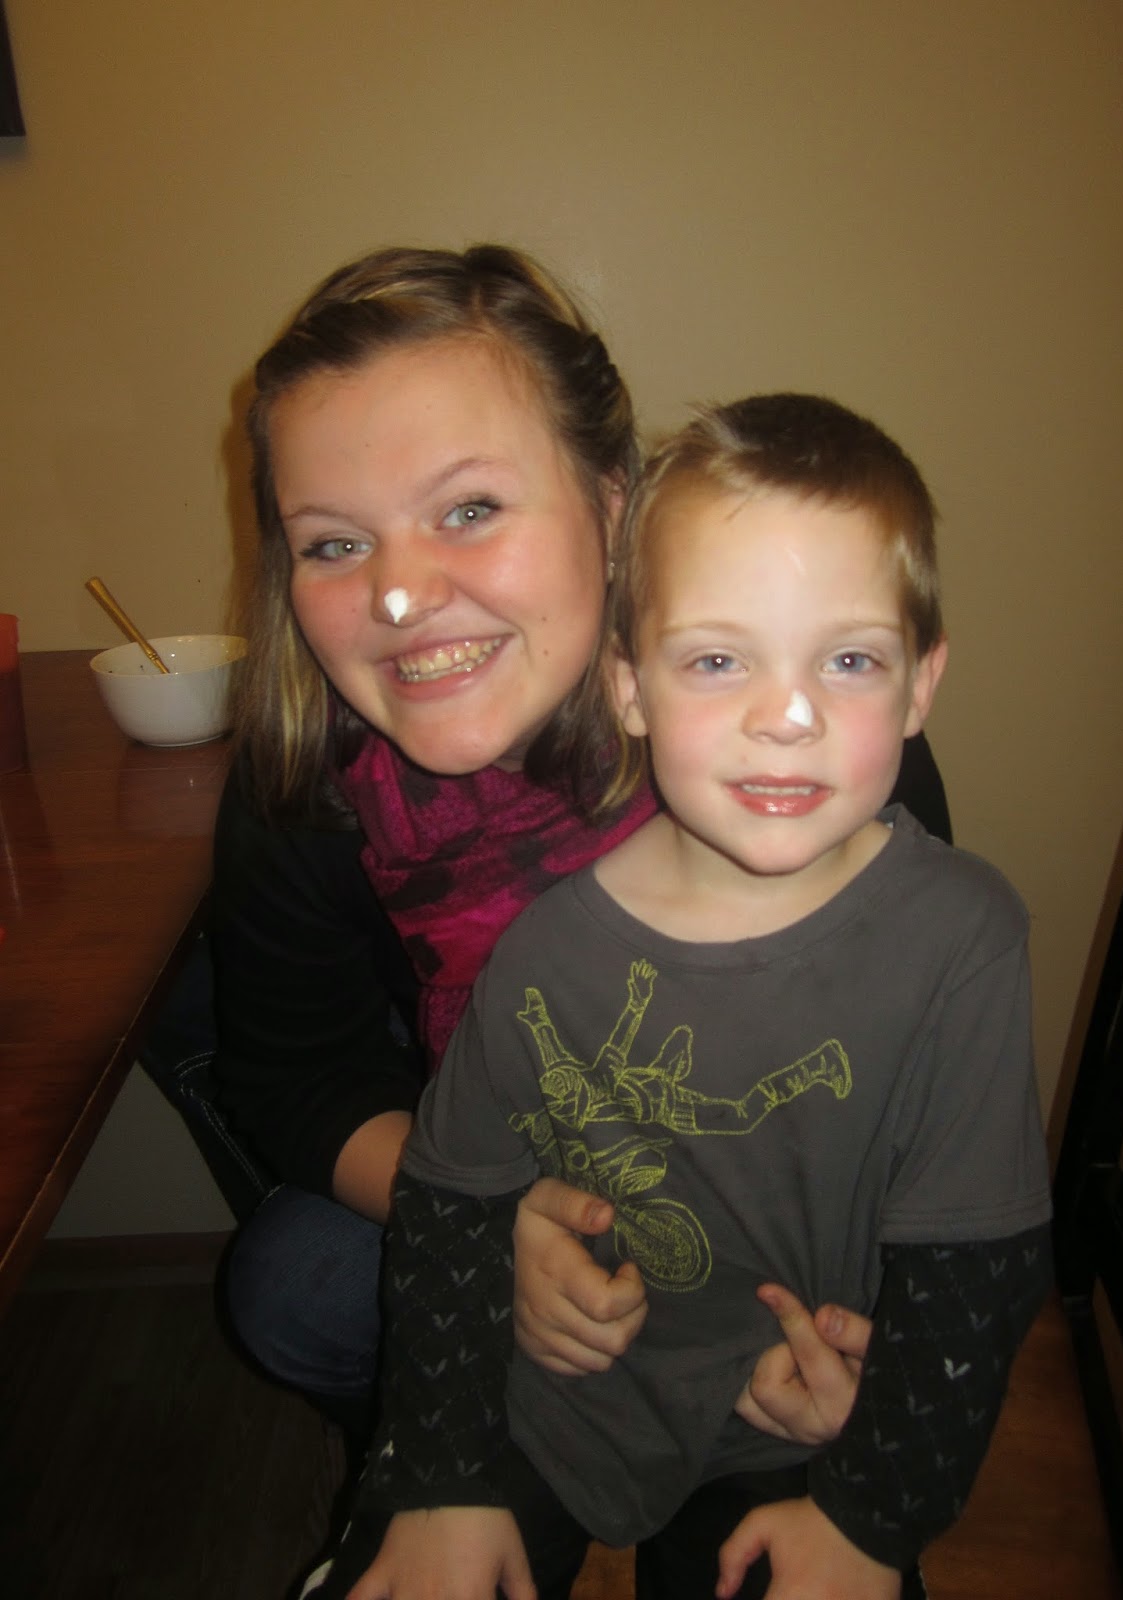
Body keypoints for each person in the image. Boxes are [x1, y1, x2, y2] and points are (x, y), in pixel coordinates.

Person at [189, 246, 951, 1447]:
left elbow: (911, 1081)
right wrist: (489, 1215)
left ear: (610, 501)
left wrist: (835, 1321)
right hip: (496, 1164)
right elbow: (295, 1074)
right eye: (334, 543)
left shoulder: (796, 737)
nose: (398, 597)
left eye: (470, 510)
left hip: (778, 1201)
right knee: (296, 1282)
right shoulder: (305, 782)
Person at [302, 393, 1054, 1600]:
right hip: (548, 1399)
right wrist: (436, 1471)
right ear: (629, 687)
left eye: (850, 660)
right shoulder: (546, 954)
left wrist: (873, 1514)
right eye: (715, 659)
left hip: (798, 1423)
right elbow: (449, 1208)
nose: (787, 716)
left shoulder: (966, 940)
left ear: (921, 686)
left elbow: (980, 1264)